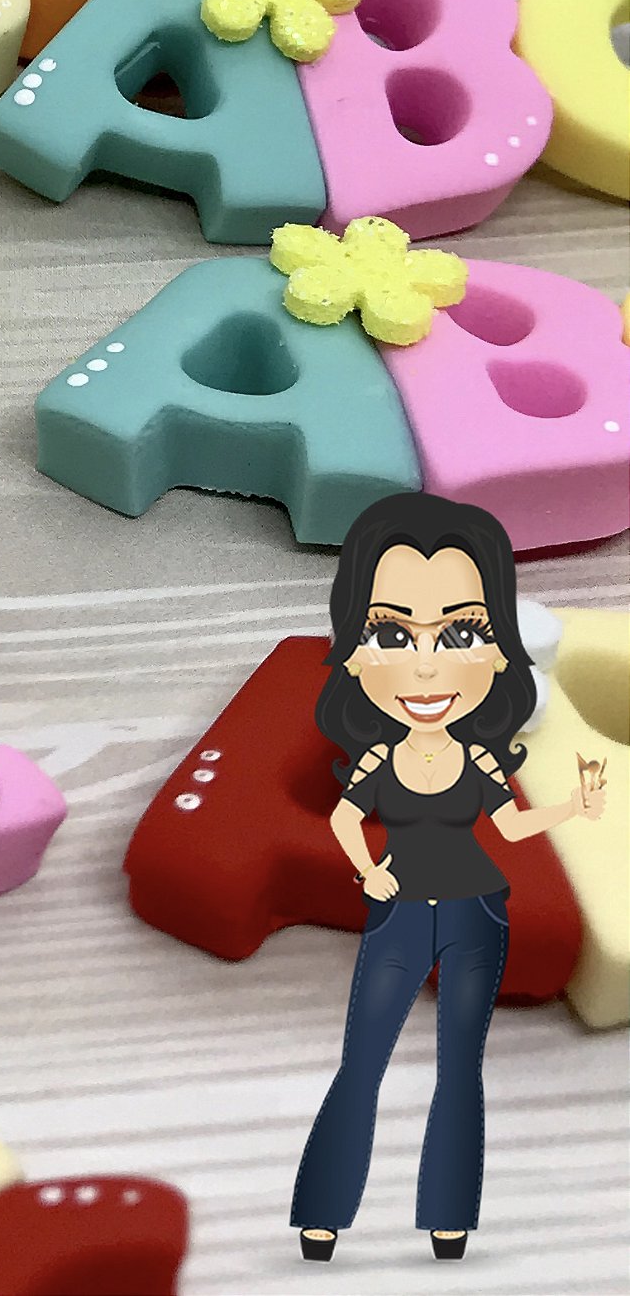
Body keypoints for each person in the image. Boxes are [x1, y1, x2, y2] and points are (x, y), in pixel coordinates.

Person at [291, 492, 606, 1262]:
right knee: (362, 1061)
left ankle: (449, 1219)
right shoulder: (377, 756)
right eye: (393, 634)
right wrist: (367, 871)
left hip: (476, 914)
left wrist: (573, 805)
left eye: (461, 633)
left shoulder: (482, 757)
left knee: (460, 1067)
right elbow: (344, 820)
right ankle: (323, 1215)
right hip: (401, 912)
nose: (427, 663)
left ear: (498, 653)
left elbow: (511, 826)